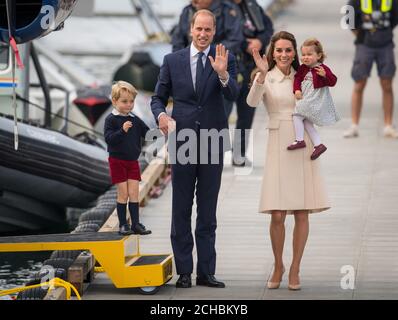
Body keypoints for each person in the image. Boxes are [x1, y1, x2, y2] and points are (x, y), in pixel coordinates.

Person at [151, 9, 239, 288]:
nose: (203, 35)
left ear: (214, 32)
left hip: (213, 140)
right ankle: (185, 271)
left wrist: (223, 74)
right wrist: (161, 116)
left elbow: (233, 94)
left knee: (208, 210)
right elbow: (157, 98)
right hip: (183, 141)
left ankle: (206, 272)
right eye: (199, 29)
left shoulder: (226, 57)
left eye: (208, 30)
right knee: (180, 209)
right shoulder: (172, 60)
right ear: (191, 29)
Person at [246, 31, 330, 290]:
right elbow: (251, 102)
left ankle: (295, 268)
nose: (284, 55)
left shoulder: (305, 75)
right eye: (279, 50)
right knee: (278, 214)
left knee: (302, 211)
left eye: (288, 50)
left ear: (295, 53)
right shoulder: (265, 76)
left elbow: (320, 106)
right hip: (277, 143)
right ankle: (278, 264)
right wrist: (260, 74)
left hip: (301, 140)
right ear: (272, 53)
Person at [344, 0, 398, 138]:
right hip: (364, 45)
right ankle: (354, 125)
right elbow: (348, 18)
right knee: (359, 83)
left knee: (387, 84)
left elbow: (394, 18)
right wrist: (360, 35)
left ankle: (388, 126)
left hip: (385, 45)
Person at [104, 81, 152, 236]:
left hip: (132, 161)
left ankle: (136, 224)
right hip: (117, 161)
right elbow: (109, 139)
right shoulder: (111, 119)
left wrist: (164, 130)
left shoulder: (135, 120)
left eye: (131, 101)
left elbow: (148, 133)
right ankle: (123, 224)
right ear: (115, 101)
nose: (129, 105)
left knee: (134, 193)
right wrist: (122, 131)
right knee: (123, 193)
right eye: (124, 102)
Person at [231, 0, 274, 166]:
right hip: (229, 66)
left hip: (250, 67)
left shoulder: (252, 5)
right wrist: (245, 44)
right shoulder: (221, 7)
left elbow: (268, 28)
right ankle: (215, 155)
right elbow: (221, 34)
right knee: (221, 114)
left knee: (247, 112)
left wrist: (260, 42)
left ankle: (239, 154)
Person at [288, 38, 340, 160]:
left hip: (315, 99)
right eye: (303, 55)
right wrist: (296, 90)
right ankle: (318, 145)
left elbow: (333, 82)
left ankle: (299, 140)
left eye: (309, 54)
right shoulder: (302, 68)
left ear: (319, 55)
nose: (305, 57)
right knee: (306, 122)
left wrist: (325, 76)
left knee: (297, 115)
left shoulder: (322, 68)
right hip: (305, 96)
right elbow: (297, 79)